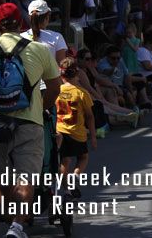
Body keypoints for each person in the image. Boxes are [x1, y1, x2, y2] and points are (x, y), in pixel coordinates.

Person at [0, 2, 60, 238]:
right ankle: (17, 227)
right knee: (27, 176)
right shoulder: (38, 49)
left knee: (4, 178)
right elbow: (54, 87)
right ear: (21, 23)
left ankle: (10, 218)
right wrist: (41, 108)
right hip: (29, 122)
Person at [55, 56, 96, 197]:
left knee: (65, 160)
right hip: (77, 132)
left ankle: (67, 189)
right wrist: (94, 136)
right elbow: (89, 116)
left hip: (60, 131)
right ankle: (76, 175)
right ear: (77, 74)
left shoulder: (56, 91)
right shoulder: (82, 93)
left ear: (61, 74)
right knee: (83, 156)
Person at [21, 0, 68, 65]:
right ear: (47, 17)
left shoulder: (20, 38)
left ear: (29, 17)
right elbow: (61, 66)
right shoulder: (57, 38)